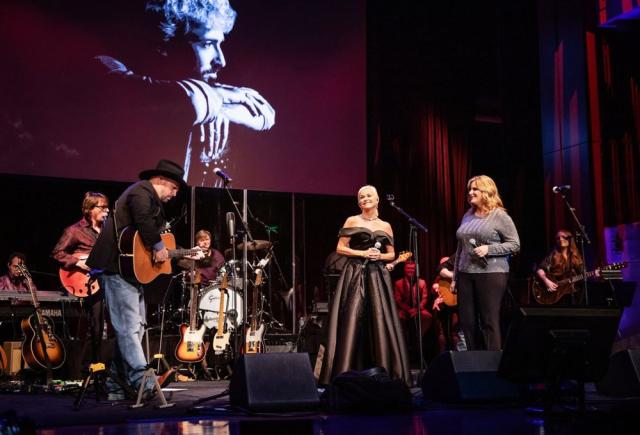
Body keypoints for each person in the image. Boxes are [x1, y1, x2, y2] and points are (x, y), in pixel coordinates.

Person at [97, 0, 275, 186]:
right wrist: (217, 98)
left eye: (220, 44)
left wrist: (220, 110)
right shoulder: (106, 67)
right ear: (167, 43)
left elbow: (264, 113)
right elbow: (188, 99)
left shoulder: (207, 91)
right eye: (206, 44)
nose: (221, 61)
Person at [87, 159, 201, 399]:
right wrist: (158, 246)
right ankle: (144, 383)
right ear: (161, 180)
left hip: (130, 271)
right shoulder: (141, 191)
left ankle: (116, 387)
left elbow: (163, 239)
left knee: (134, 329)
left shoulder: (154, 203)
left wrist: (187, 253)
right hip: (116, 269)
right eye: (174, 188)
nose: (174, 194)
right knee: (129, 328)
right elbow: (144, 222)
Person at [319, 185, 410, 386]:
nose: (365, 199)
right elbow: (340, 248)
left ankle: (384, 371)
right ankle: (345, 372)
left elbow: (391, 254)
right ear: (358, 202)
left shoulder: (386, 225)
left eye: (369, 196)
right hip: (355, 273)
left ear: (377, 200)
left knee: (378, 318)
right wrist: (362, 253)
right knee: (353, 317)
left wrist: (380, 256)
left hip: (377, 275)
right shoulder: (353, 220)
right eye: (361, 197)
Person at [452, 175, 520, 351]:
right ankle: (475, 363)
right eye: (470, 189)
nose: (470, 192)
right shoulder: (468, 215)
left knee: (489, 321)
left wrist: (489, 249)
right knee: (467, 322)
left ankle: (492, 364)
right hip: (465, 274)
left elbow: (515, 244)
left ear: (487, 192)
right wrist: (454, 277)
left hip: (491, 273)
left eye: (475, 189)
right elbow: (460, 249)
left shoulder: (500, 216)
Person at [51, 192, 109, 358]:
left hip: (108, 279)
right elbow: (57, 253)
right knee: (95, 325)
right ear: (89, 209)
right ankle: (90, 367)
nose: (106, 210)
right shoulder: (75, 231)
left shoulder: (109, 230)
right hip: (86, 282)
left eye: (107, 207)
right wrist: (78, 262)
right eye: (102, 207)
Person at [535, 229, 587, 305]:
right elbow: (540, 269)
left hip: (572, 292)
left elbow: (583, 273)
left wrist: (594, 273)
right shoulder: (553, 255)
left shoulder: (576, 257)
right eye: (558, 238)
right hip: (556, 293)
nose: (560, 239)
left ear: (570, 239)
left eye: (563, 237)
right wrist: (546, 281)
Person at [393, 261, 432, 337]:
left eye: (412, 268)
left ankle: (418, 337)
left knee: (428, 316)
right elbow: (398, 300)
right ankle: (402, 339)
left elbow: (424, 298)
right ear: (404, 269)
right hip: (404, 309)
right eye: (408, 268)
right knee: (398, 317)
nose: (410, 270)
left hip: (418, 309)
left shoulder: (422, 282)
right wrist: (408, 310)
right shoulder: (398, 283)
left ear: (415, 270)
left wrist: (417, 309)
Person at [431, 255, 462, 351]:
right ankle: (443, 355)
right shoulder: (438, 279)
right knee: (442, 333)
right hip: (443, 307)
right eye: (442, 265)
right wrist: (438, 296)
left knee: (455, 332)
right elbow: (434, 290)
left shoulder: (459, 277)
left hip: (457, 307)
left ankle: (458, 356)